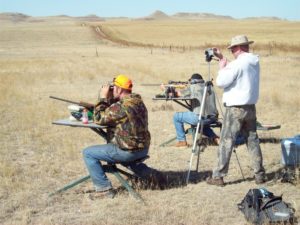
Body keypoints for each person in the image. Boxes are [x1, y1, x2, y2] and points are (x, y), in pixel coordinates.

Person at [82, 74, 156, 198]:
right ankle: (154, 178)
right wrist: (110, 98)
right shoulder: (138, 102)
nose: (112, 90)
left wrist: (103, 98)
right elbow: (116, 112)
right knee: (130, 161)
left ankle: (103, 189)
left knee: (88, 153)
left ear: (120, 89)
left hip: (128, 151)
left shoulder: (121, 107)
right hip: (142, 149)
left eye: (114, 88)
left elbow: (99, 118)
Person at [206, 35, 266, 186]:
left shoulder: (238, 64)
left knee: (227, 141)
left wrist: (221, 68)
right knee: (253, 141)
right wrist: (222, 59)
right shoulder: (253, 61)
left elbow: (221, 82)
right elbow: (237, 69)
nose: (232, 51)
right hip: (250, 107)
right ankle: (259, 174)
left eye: (232, 48)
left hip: (235, 109)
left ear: (238, 48)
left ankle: (218, 176)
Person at [170, 73, 220, 147]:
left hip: (200, 117)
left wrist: (169, 90)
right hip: (213, 117)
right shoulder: (209, 86)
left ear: (193, 81)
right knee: (202, 125)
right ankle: (216, 138)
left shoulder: (193, 87)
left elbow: (177, 94)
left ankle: (182, 141)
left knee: (176, 117)